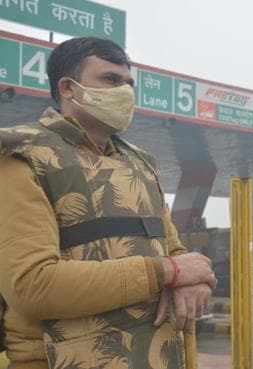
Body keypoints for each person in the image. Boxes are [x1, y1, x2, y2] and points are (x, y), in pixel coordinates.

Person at [0, 37, 218, 369]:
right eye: (111, 80)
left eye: (129, 83)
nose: (125, 92)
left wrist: (194, 280)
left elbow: (173, 250)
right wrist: (168, 272)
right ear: (68, 88)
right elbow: (33, 286)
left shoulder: (141, 164)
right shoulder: (21, 155)